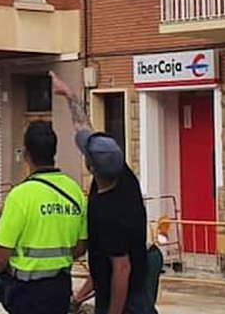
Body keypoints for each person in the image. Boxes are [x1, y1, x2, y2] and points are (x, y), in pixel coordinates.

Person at [51, 72, 149, 314]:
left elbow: (121, 269)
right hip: (125, 291)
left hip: (127, 303)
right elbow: (84, 127)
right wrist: (70, 95)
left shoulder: (110, 214)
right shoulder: (122, 176)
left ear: (90, 167)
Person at [0, 121, 88, 314]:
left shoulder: (20, 196)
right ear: (54, 152)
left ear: (26, 154)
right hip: (59, 289)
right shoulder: (74, 191)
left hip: (25, 294)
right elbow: (80, 248)